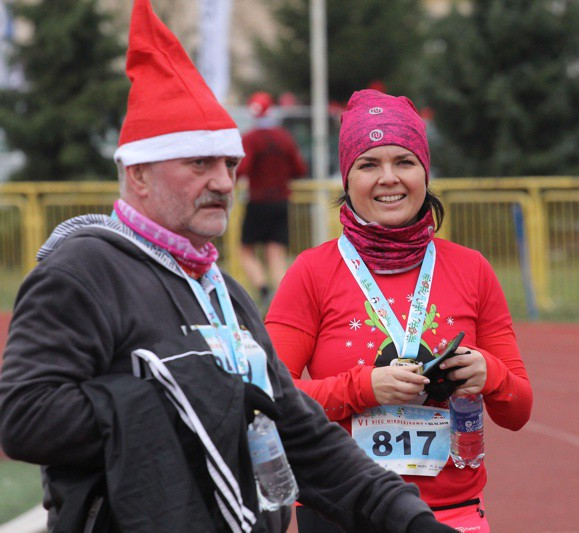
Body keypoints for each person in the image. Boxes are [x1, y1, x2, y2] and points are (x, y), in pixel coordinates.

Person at [0, 3, 457, 532]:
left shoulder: (223, 291)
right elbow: (24, 419)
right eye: (199, 163)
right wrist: (181, 392)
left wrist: (409, 520)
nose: (222, 181)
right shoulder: (84, 271)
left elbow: (299, 433)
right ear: (140, 174)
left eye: (228, 164)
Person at [265, 89, 533, 532]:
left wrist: (491, 374)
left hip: (451, 517)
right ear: (346, 179)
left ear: (425, 173)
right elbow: (271, 400)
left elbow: (518, 410)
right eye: (369, 164)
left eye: (404, 162)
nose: (388, 178)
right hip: (340, 513)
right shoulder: (312, 272)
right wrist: (364, 387)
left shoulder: (471, 269)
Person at [238, 92, 307, 307]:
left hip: (257, 201)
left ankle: (262, 287)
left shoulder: (250, 138)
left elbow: (243, 168)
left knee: (245, 249)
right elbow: (299, 169)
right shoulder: (284, 137)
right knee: (276, 252)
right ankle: (282, 298)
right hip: (281, 201)